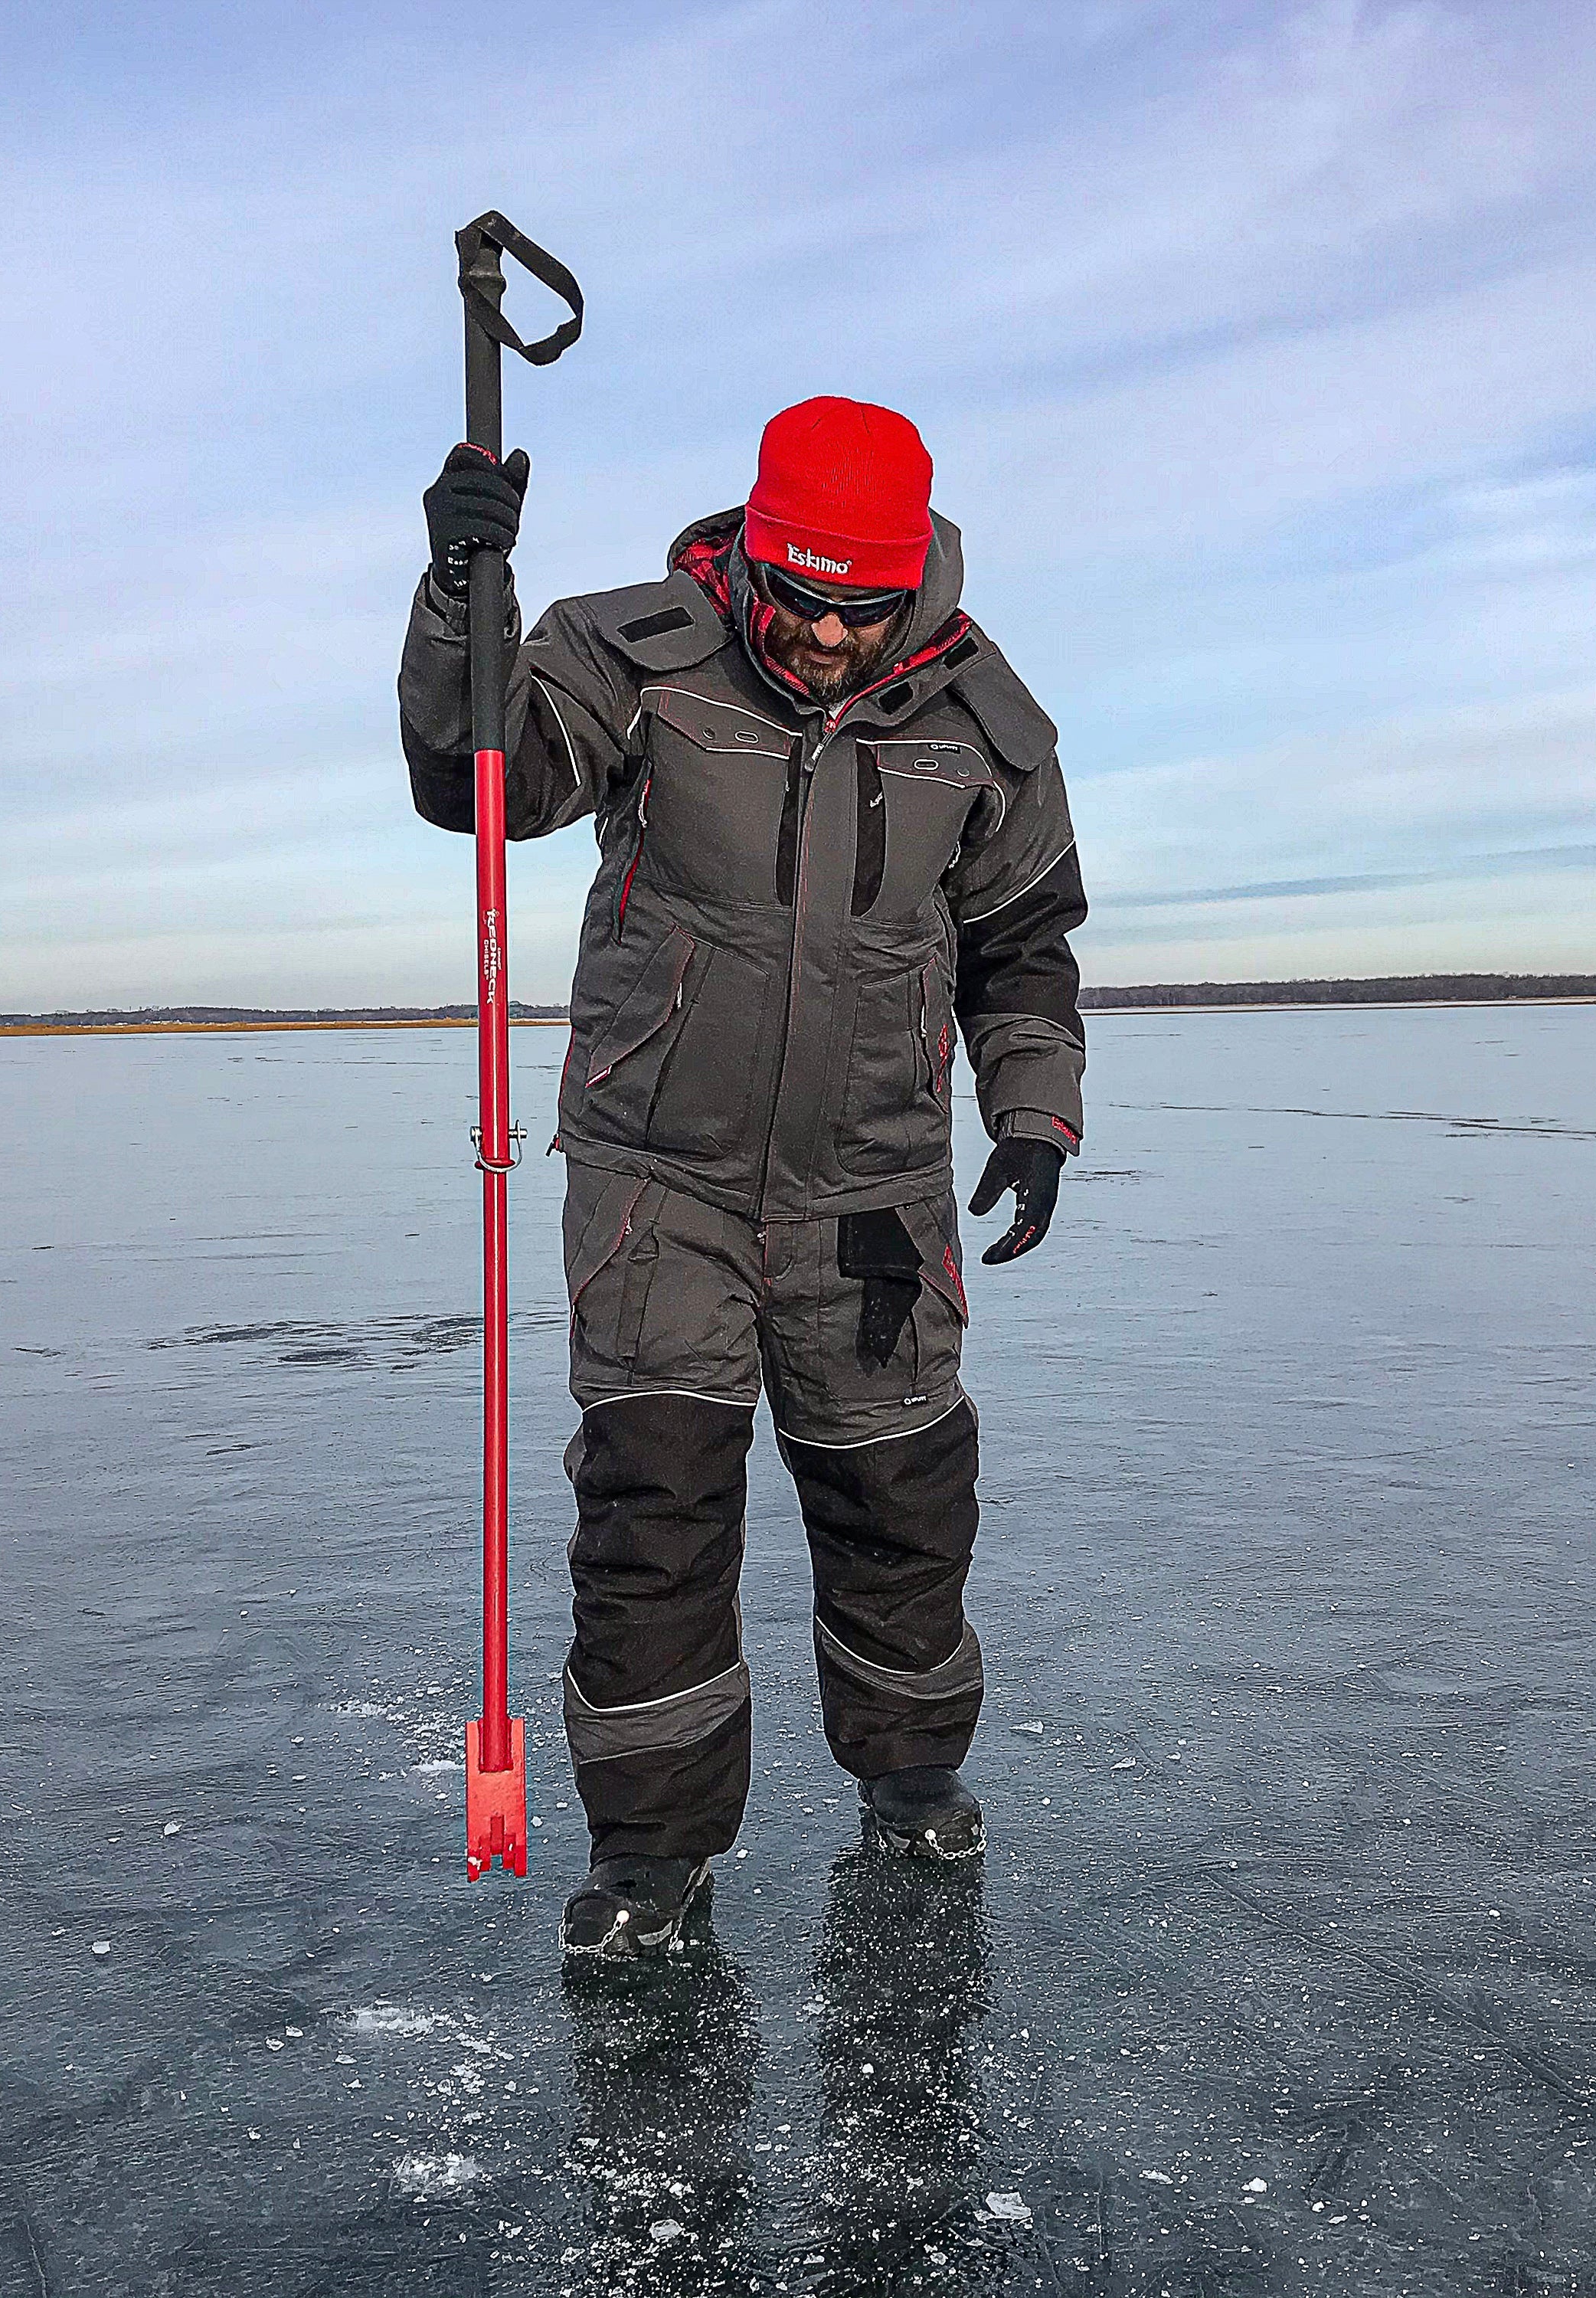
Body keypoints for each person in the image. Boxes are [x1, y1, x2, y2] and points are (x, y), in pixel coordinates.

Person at [398, 397, 1085, 1959]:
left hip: (874, 1192)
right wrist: (461, 598)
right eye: (800, 600)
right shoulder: (632, 656)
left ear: (911, 581)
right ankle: (652, 1857)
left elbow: (1024, 942)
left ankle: (912, 1775)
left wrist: (1034, 1115)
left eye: (864, 609)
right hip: (660, 1183)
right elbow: (476, 774)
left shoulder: (986, 723)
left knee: (901, 1503)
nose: (829, 637)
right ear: (754, 557)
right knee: (655, 1516)